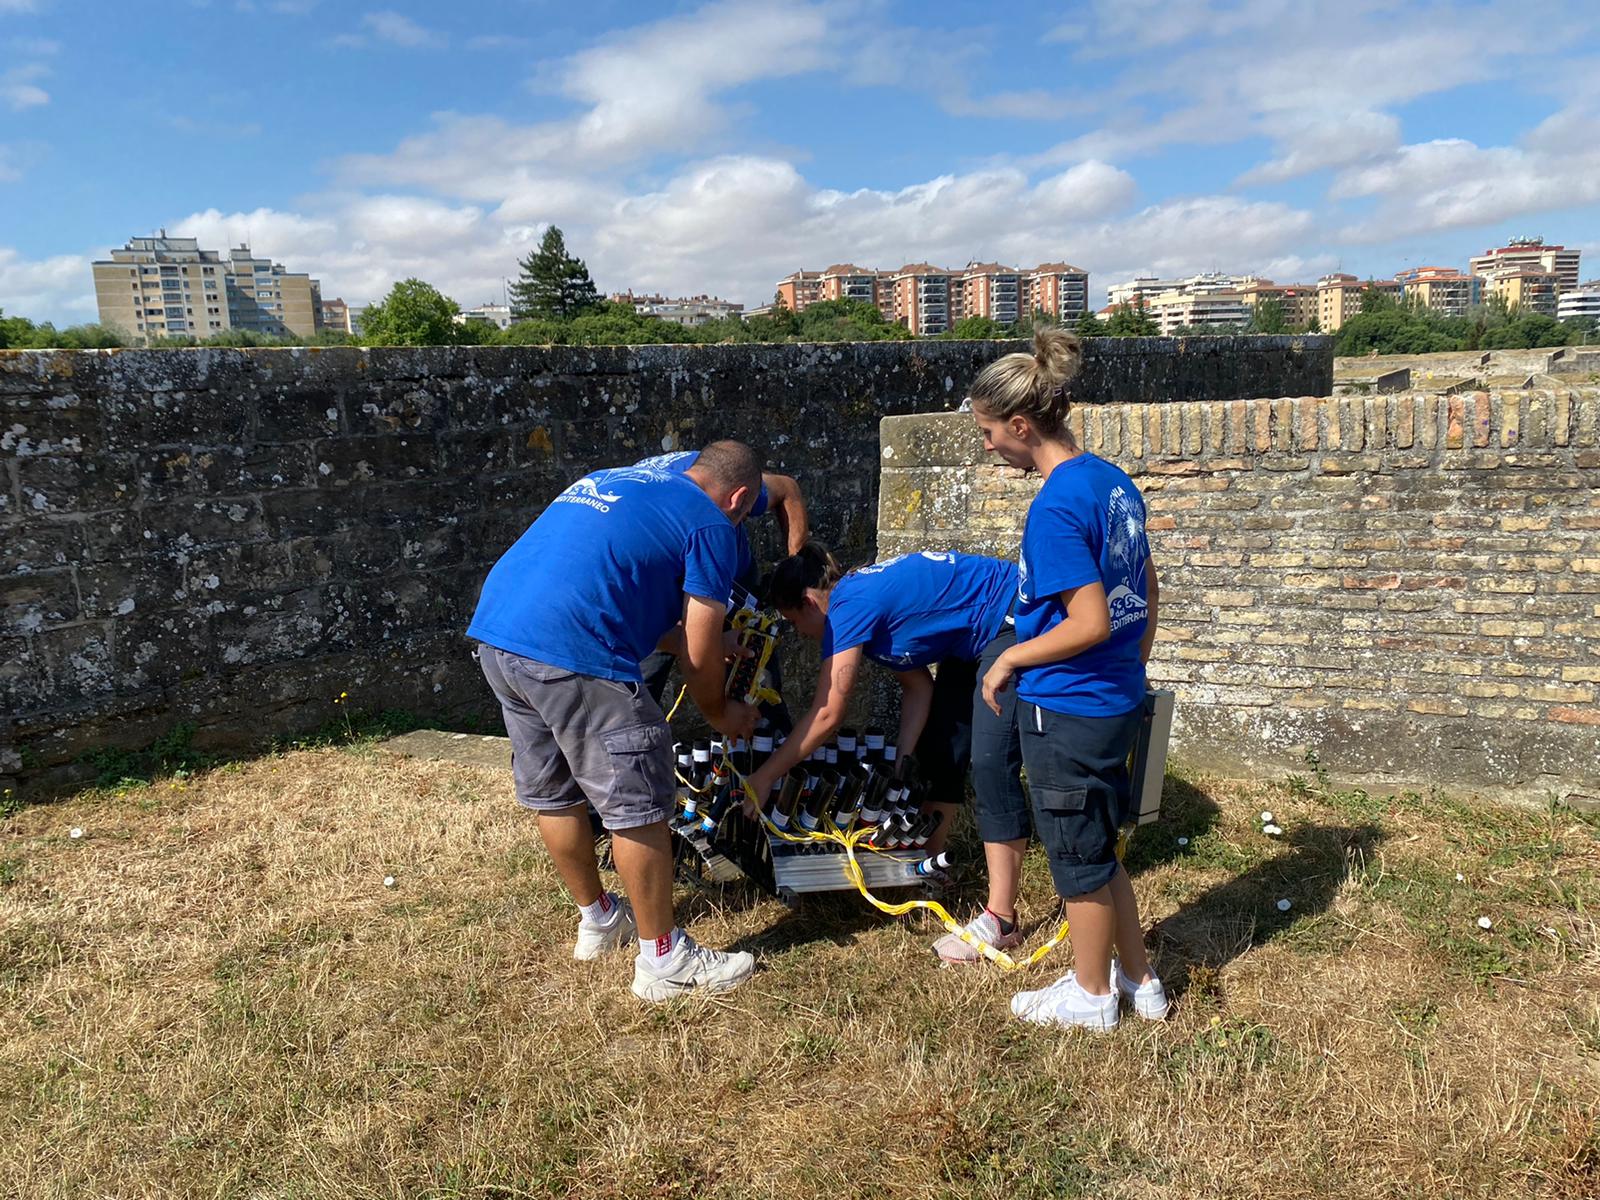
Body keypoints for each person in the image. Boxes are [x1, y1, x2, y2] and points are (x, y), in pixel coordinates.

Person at [466, 441, 763, 1002]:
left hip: (501, 637)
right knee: (639, 801)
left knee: (554, 793)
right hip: (574, 652)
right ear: (739, 498)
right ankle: (665, 961)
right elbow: (697, 659)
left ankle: (599, 919)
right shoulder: (712, 525)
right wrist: (722, 712)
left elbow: (611, 590)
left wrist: (691, 636)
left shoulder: (619, 480)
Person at [966, 327, 1168, 1031]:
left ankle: (1089, 996)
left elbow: (1086, 621)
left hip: (1068, 708)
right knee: (1099, 848)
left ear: (1022, 425)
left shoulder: (1055, 504)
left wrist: (1011, 658)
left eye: (990, 431)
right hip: (1110, 698)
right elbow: (1143, 586)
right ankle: (1139, 980)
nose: (988, 445)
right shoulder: (1111, 482)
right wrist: (1129, 670)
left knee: (1077, 863)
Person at [744, 545, 1024, 894]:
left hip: (1011, 614)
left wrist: (766, 775)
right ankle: (928, 865)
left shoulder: (848, 608)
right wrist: (901, 759)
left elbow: (828, 713)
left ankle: (999, 908)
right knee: (941, 749)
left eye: (794, 621)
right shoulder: (856, 600)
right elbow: (918, 686)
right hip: (970, 636)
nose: (800, 632)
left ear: (808, 602)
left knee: (989, 760)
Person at [637, 452, 808, 731]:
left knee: (754, 668)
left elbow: (787, 489)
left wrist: (797, 566)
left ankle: (768, 746)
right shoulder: (647, 515)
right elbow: (682, 645)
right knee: (641, 682)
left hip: (733, 583)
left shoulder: (723, 479)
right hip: (666, 585)